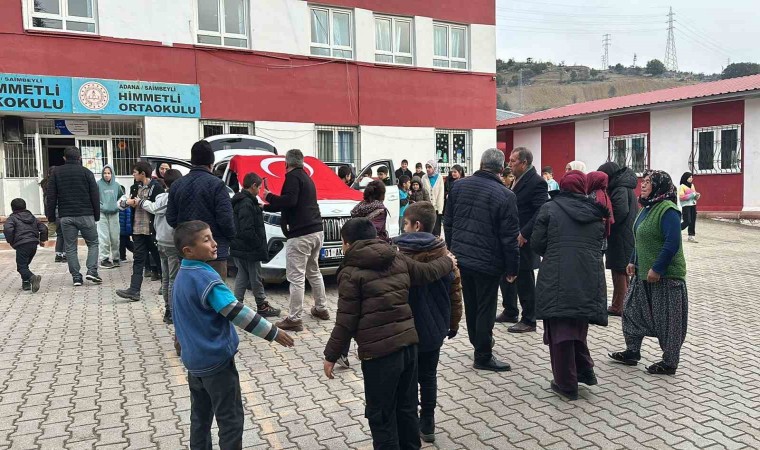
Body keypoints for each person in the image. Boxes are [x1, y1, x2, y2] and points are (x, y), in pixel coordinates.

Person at [322, 218, 455, 449]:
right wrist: (448, 261)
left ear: (347, 243)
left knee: (381, 416)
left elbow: (346, 320)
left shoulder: (351, 272)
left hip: (379, 356)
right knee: (407, 409)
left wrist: (331, 355)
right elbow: (427, 272)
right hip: (409, 349)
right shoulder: (397, 257)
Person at [172, 220, 294, 450]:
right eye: (206, 240)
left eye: (212, 237)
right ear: (188, 250)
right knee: (230, 421)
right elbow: (236, 312)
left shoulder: (182, 275)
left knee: (200, 418)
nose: (214, 243)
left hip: (194, 363)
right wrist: (273, 332)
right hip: (217, 365)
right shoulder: (205, 279)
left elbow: (181, 317)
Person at [532, 170, 608, 400]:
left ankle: (566, 384)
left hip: (556, 276)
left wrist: (556, 251)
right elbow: (600, 243)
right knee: (577, 326)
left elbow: (537, 244)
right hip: (587, 276)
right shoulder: (595, 212)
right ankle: (583, 370)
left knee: (559, 331)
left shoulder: (549, 208)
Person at [444, 149, 520, 372]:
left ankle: (478, 342)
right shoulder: (505, 195)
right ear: (501, 169)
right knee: (486, 307)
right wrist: (512, 268)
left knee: (472, 304)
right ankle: (483, 355)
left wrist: (453, 250)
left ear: (480, 163)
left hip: (462, 258)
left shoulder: (459, 186)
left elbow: (448, 222)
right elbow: (509, 237)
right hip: (488, 261)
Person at [394, 202, 462, 443]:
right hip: (435, 327)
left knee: (408, 379)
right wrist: (453, 323)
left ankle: (410, 423)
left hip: (406, 328)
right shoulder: (445, 255)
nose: (403, 228)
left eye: (405, 223)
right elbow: (455, 293)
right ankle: (428, 422)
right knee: (429, 376)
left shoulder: (399, 256)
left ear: (417, 225)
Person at [609, 170, 688, 376]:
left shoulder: (668, 210)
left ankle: (669, 362)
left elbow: (672, 243)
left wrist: (658, 268)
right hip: (642, 273)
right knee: (631, 311)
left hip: (666, 277)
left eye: (648, 182)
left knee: (668, 321)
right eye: (642, 181)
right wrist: (633, 260)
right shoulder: (646, 207)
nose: (642, 185)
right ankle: (632, 351)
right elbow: (640, 237)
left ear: (659, 186)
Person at [260, 149, 330, 332]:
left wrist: (268, 196)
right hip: (316, 231)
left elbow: (289, 201)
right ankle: (321, 308)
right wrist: (267, 204)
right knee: (313, 271)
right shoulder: (307, 178)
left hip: (301, 234)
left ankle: (294, 319)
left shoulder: (292, 177)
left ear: (286, 163)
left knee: (296, 277)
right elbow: (292, 203)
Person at [167, 140, 236, 279]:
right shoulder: (217, 185)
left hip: (188, 252)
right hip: (213, 253)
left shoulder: (176, 185)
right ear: (211, 164)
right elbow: (226, 220)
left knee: (191, 290)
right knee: (214, 290)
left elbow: (171, 218)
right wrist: (230, 238)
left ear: (192, 162)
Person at [45, 146, 102, 286]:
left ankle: (76, 277)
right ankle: (92, 271)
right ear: (80, 158)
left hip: (66, 216)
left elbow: (51, 197)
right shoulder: (87, 172)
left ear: (64, 158)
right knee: (93, 243)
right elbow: (95, 196)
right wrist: (96, 215)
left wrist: (51, 217)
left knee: (70, 247)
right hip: (86, 214)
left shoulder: (56, 173)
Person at [506, 147, 548, 333]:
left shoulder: (537, 182)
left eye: (513, 161)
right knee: (510, 273)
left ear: (524, 163)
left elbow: (540, 211)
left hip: (524, 238)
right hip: (512, 236)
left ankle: (529, 319)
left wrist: (524, 233)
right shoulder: (516, 179)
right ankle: (510, 311)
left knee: (524, 278)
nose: (509, 164)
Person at [230, 172, 281, 317]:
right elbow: (247, 229)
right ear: (253, 186)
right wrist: (258, 244)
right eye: (259, 188)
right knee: (255, 276)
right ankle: (261, 305)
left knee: (242, 275)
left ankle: (236, 306)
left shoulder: (241, 201)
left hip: (240, 246)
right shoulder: (247, 203)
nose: (259, 191)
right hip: (249, 248)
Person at [116, 161, 165, 302]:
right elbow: (123, 203)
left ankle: (166, 284)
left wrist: (141, 203)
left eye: (135, 172)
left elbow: (158, 208)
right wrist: (128, 203)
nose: (133, 175)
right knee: (138, 260)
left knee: (158, 258)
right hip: (137, 229)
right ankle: (134, 290)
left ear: (143, 173)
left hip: (152, 230)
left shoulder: (156, 187)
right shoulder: (134, 187)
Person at [140, 169, 183, 323]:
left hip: (160, 241)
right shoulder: (173, 199)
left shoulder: (160, 197)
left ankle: (167, 309)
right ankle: (171, 312)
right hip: (172, 242)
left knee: (165, 278)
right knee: (172, 279)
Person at [598, 162, 638, 316]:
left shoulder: (619, 188)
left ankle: (618, 306)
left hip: (621, 234)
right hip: (625, 233)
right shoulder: (623, 185)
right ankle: (624, 303)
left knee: (619, 270)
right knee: (622, 269)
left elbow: (620, 211)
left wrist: (608, 222)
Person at [5, 198, 48, 293]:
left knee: (21, 267)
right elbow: (44, 228)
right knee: (25, 265)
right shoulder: (32, 217)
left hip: (22, 245)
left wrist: (11, 241)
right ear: (25, 207)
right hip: (33, 244)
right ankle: (26, 283)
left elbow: (8, 229)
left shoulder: (12, 218)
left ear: (12, 208)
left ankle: (32, 278)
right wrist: (42, 240)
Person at [496, 166, 519, 324]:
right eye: (509, 176)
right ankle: (509, 308)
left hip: (513, 239)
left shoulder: (511, 192)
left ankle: (511, 310)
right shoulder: (502, 191)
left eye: (512, 176)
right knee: (505, 279)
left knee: (510, 277)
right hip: (504, 240)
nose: (511, 179)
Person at [97, 165, 122, 269]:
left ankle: (116, 258)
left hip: (114, 214)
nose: (106, 175)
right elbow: (94, 197)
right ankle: (104, 259)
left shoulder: (116, 185)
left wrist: (117, 206)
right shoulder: (98, 184)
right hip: (102, 214)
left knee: (115, 237)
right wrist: (101, 206)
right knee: (104, 237)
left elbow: (121, 197)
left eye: (109, 173)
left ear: (112, 174)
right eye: (105, 173)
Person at [39, 167, 65, 263]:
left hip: (53, 214)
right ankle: (65, 254)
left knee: (60, 234)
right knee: (65, 234)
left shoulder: (46, 184)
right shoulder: (55, 185)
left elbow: (47, 203)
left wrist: (49, 216)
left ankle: (58, 254)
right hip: (60, 213)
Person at [587, 171, 614, 240]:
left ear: (593, 181)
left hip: (594, 236)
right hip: (601, 234)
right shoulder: (603, 193)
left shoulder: (593, 195)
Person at [422, 160, 445, 237]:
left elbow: (441, 194)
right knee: (428, 229)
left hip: (436, 208)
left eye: (429, 167)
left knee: (436, 229)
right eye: (426, 167)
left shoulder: (439, 177)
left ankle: (436, 243)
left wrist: (440, 209)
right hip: (426, 207)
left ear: (434, 168)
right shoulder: (424, 177)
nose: (427, 169)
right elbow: (422, 192)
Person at [679, 172, 700, 243]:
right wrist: (692, 195)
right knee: (687, 221)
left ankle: (691, 236)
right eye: (689, 177)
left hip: (693, 205)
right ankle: (675, 229)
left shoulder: (692, 185)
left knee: (693, 221)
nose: (691, 178)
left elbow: (694, 195)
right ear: (686, 178)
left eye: (691, 177)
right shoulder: (682, 186)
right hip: (686, 206)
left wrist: (697, 196)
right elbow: (682, 197)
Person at [119, 195, 134, 262]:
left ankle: (122, 257)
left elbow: (126, 217)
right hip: (125, 228)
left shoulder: (122, 204)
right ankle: (122, 257)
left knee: (123, 243)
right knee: (125, 242)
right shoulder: (126, 202)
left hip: (122, 228)